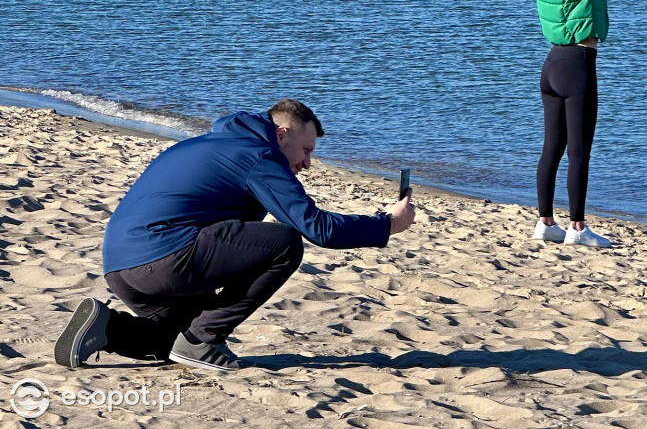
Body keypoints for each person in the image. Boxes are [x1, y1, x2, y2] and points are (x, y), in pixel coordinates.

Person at [54, 98, 416, 372]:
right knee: (285, 244)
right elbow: (316, 228)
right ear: (282, 134)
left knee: (172, 342)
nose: (307, 163)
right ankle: (202, 340)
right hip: (164, 260)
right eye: (306, 151)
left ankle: (104, 326)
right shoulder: (259, 155)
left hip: (120, 269)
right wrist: (386, 224)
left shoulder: (207, 144)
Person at [523, 0, 610, 248]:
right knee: (578, 151)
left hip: (551, 63)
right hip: (577, 62)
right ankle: (576, 227)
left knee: (551, 148)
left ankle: (544, 222)